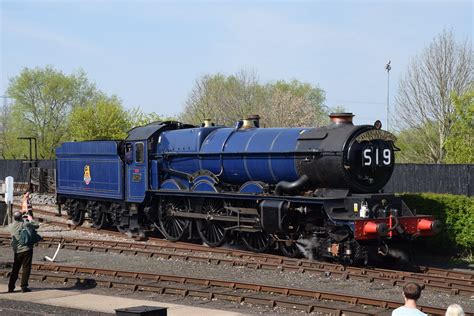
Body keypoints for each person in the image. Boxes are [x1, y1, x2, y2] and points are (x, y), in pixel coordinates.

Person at [8, 211, 39, 293]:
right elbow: (36, 226)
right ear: (21, 217)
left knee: (15, 268)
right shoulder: (25, 224)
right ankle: (24, 286)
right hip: (26, 249)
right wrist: (30, 218)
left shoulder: (10, 226)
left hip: (17, 250)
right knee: (26, 268)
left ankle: (11, 286)